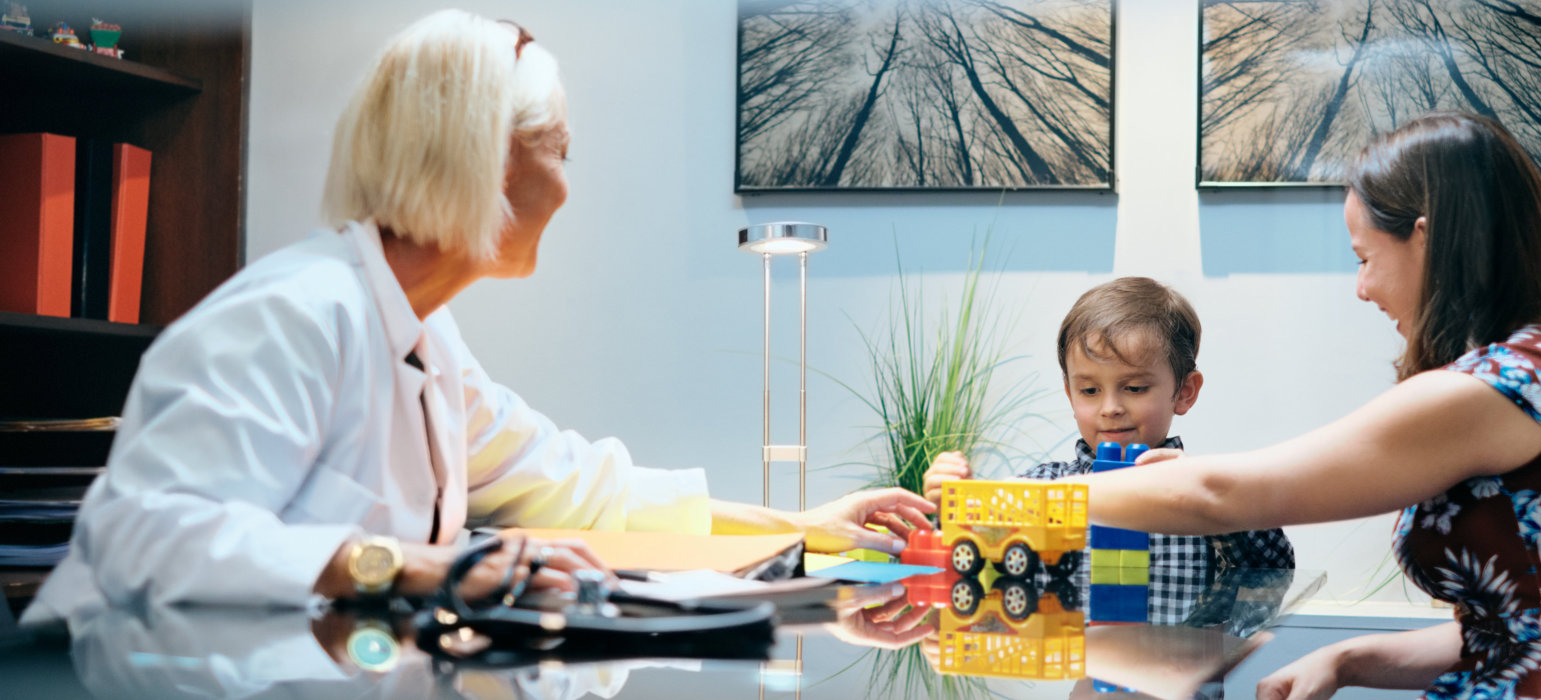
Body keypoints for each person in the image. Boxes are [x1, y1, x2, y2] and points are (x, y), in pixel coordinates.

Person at [21, 9, 931, 623]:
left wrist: (804, 524)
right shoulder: (289, 316)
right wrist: (407, 565)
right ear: (485, 159)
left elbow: (580, 488)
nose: (569, 191)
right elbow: (145, 537)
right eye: (558, 153)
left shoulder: (425, 338)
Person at [1059, 113, 1541, 698]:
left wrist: (997, 500)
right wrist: (1349, 657)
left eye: (1364, 257)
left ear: (1425, 238)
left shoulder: (1494, 391)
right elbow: (1540, 624)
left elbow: (1220, 496)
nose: (1361, 289)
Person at [924, 277, 1294, 623]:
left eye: (1134, 388)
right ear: (1070, 393)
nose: (1110, 407)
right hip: (1084, 654)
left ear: (1184, 392)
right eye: (1089, 391)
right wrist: (951, 509)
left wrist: (1212, 501)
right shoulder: (1043, 487)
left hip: (1175, 676)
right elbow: (968, 565)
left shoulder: (1200, 491)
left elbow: (1275, 569)